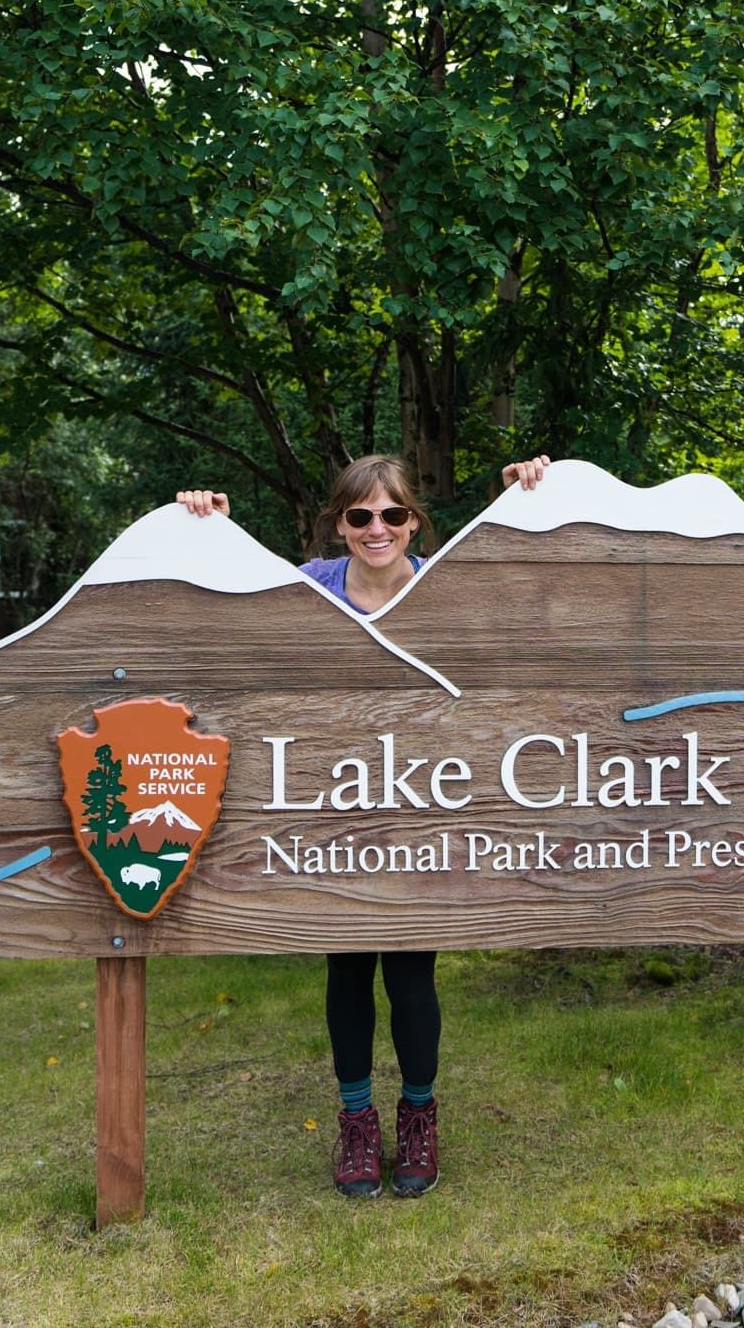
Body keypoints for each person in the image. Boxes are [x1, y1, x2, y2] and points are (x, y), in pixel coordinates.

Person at [177, 452, 550, 1197]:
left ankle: (418, 1117)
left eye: (392, 515)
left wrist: (520, 501)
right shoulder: (312, 589)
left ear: (413, 521)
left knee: (411, 969)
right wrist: (208, 526)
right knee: (346, 964)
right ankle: (355, 1122)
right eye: (359, 516)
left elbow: (514, 586)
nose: (376, 529)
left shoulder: (441, 586)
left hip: (423, 804)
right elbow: (242, 593)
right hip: (334, 809)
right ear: (338, 525)